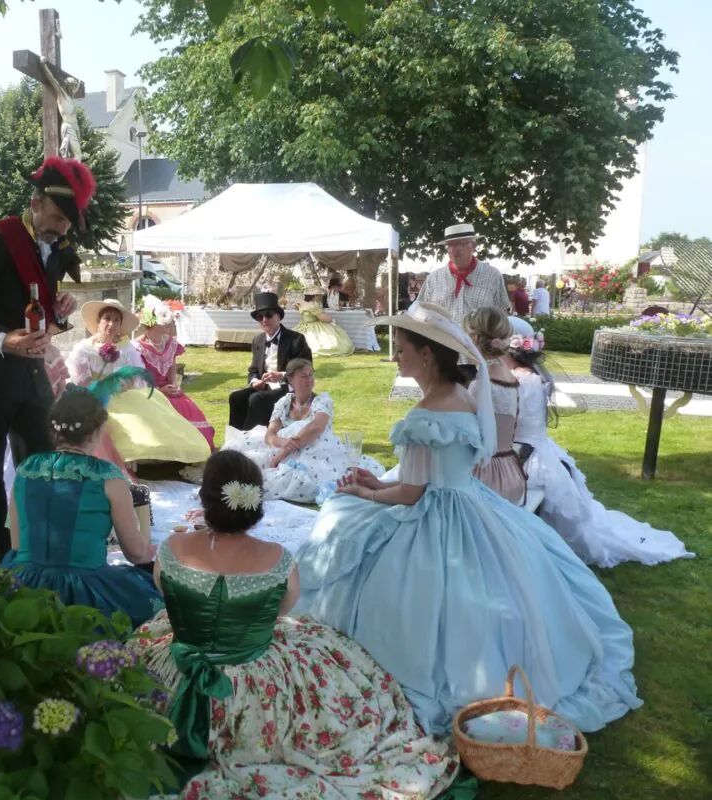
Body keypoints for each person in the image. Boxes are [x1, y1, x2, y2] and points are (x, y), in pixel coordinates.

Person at [294, 301, 642, 737]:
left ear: (426, 354)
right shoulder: (461, 397)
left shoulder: (424, 415)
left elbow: (411, 493)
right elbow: (436, 478)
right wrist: (375, 485)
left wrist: (363, 490)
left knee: (341, 516)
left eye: (401, 348)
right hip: (472, 503)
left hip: (436, 513)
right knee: (516, 580)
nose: (395, 355)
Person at [129, 450, 458, 800]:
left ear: (204, 497)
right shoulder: (278, 559)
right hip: (253, 684)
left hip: (173, 672)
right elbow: (282, 611)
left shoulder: (173, 547)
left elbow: (164, 588)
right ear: (256, 502)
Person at [0, 156, 91, 565]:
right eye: (57, 217)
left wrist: (62, 308)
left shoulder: (58, 247)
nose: (61, 229)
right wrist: (1, 340)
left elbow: (39, 306)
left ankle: (40, 556)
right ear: (35, 202)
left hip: (32, 377)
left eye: (66, 223)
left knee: (42, 471)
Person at [505, 317, 693, 567]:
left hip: (526, 453)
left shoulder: (519, 379)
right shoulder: (531, 374)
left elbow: (511, 424)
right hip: (539, 447)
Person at [1, 390, 162, 627]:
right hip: (85, 589)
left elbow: (16, 545)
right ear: (97, 431)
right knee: (155, 605)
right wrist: (153, 553)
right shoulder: (106, 475)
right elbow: (135, 553)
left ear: (54, 430)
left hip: (25, 584)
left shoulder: (27, 469)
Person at [67, 299, 211, 469]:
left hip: (125, 395)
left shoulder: (126, 348)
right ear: (98, 322)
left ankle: (171, 454)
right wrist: (104, 386)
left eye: (116, 320)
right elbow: (80, 381)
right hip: (95, 397)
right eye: (107, 319)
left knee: (155, 411)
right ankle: (123, 458)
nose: (111, 324)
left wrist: (128, 382)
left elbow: (139, 376)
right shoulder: (84, 349)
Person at [224, 359, 383, 503]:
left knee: (294, 474)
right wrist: (284, 442)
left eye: (311, 375)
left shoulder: (322, 401)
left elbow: (315, 428)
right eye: (304, 376)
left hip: (316, 450)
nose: (310, 380)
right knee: (247, 461)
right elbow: (269, 435)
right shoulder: (284, 402)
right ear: (291, 379)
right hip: (287, 447)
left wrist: (282, 453)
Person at [463, 306, 528, 505]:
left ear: (473, 340)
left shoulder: (481, 384)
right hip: (509, 469)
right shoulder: (510, 378)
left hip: (484, 475)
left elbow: (467, 436)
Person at [133, 294, 215, 449]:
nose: (168, 325)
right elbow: (139, 381)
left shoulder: (170, 344)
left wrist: (174, 386)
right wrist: (159, 391)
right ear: (151, 324)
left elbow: (172, 371)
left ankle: (192, 450)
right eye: (163, 321)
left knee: (186, 408)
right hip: (149, 394)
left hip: (169, 390)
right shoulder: (138, 347)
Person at [227, 292, 313, 430]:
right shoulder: (258, 340)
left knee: (256, 399)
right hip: (264, 388)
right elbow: (253, 370)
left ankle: (253, 441)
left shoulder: (296, 339)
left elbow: (306, 369)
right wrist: (255, 382)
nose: (264, 320)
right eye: (260, 317)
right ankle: (235, 440)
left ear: (278, 316)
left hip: (288, 388)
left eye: (268, 315)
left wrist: (282, 375)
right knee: (235, 397)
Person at [417, 223, 510, 321]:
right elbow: (420, 312)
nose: (453, 250)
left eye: (460, 244)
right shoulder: (433, 278)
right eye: (450, 245)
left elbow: (502, 314)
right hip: (442, 336)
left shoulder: (492, 275)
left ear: (473, 246)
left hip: (480, 336)